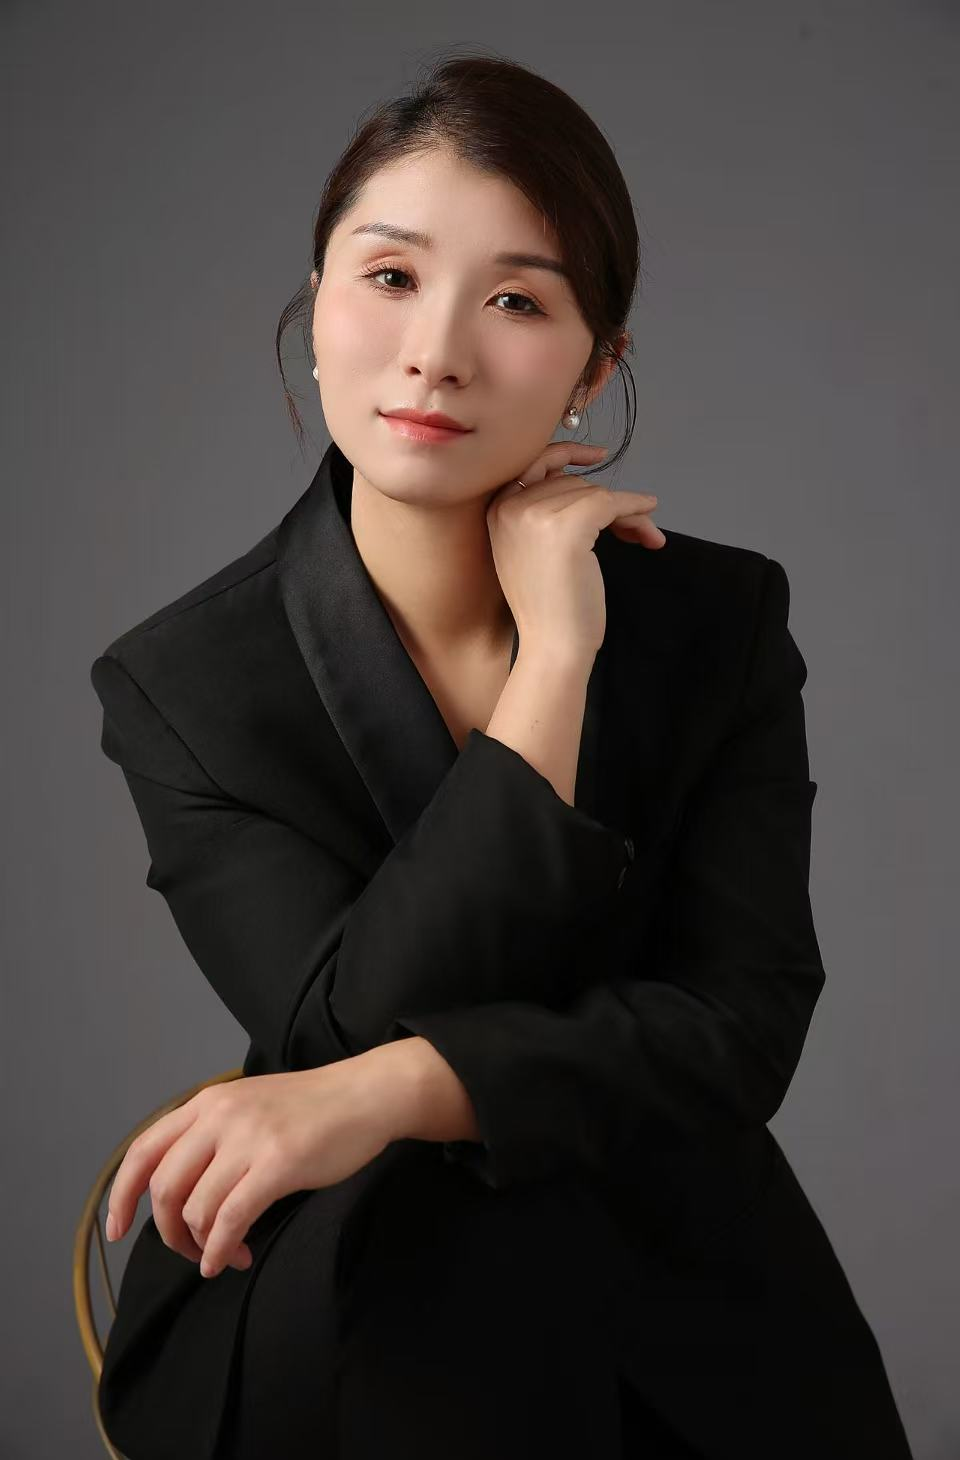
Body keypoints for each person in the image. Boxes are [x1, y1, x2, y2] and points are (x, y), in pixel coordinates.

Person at [89, 50, 914, 1460]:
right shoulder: (186, 684)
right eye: (391, 276)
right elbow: (349, 1022)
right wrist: (550, 677)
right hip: (355, 1278)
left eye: (518, 301)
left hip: (684, 1276)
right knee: (470, 1293)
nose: (437, 351)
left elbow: (741, 1029)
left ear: (596, 366)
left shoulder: (715, 620)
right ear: (317, 302)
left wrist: (386, 1092)